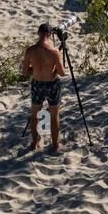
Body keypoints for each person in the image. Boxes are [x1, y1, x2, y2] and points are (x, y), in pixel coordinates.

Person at [22, 23, 66, 153]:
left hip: (37, 83)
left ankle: (34, 143)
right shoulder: (54, 51)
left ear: (38, 33)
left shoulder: (30, 51)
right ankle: (55, 144)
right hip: (52, 84)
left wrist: (35, 71)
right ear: (49, 34)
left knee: (35, 115)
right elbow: (62, 73)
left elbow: (24, 72)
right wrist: (53, 69)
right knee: (54, 115)